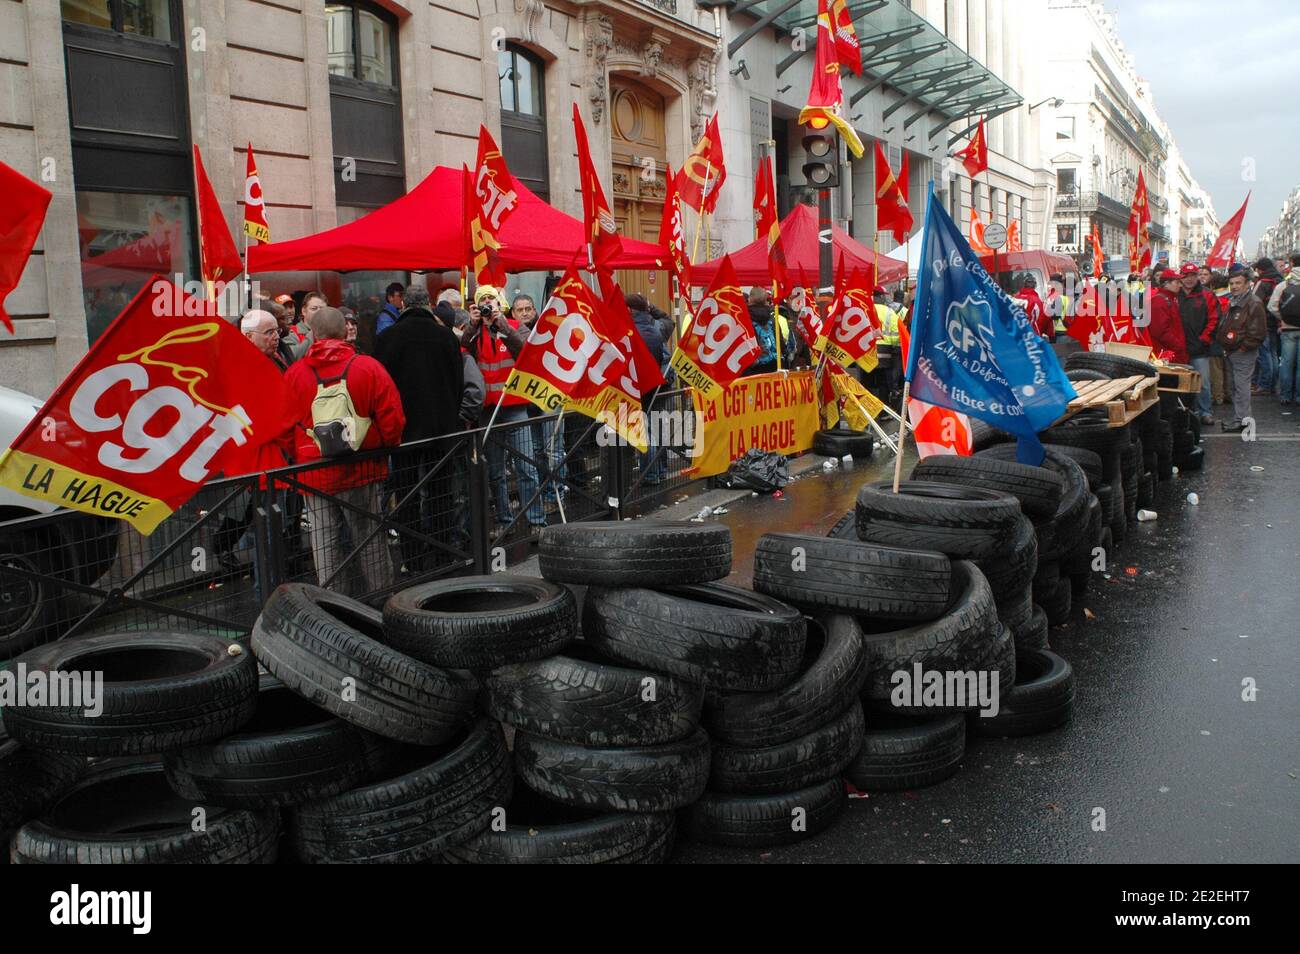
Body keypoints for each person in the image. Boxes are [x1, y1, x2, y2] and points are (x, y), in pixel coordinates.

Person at [283, 306, 405, 596]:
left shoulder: (295, 374)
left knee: (324, 543)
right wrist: (384, 446)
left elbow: (285, 427)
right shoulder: (368, 367)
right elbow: (393, 419)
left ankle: (333, 606)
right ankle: (380, 601)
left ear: (313, 333)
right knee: (369, 539)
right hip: (361, 468)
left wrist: (301, 454)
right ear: (346, 331)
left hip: (314, 472)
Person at [372, 286, 464, 573]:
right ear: (428, 305)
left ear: (402, 306)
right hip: (441, 428)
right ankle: (442, 553)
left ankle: (411, 558)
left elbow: (381, 387)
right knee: (441, 493)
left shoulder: (387, 338)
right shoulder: (446, 337)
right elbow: (457, 382)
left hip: (403, 431)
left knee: (407, 494)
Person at [465, 285, 547, 537]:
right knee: (495, 472)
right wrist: (471, 325)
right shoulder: (474, 332)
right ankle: (503, 520)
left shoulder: (513, 325)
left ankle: (536, 521)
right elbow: (460, 352)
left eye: (491, 300)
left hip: (514, 408)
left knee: (526, 467)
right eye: (483, 301)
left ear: (500, 303)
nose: (488, 305)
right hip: (488, 411)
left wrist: (503, 326)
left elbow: (525, 349)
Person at [626, 293, 669, 483]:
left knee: (646, 432)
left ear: (629, 310)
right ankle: (660, 471)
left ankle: (650, 474)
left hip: (640, 387)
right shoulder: (657, 327)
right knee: (657, 429)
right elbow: (668, 319)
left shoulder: (630, 331)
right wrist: (650, 308)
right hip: (657, 385)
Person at [1217, 269, 1267, 432]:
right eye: (1231, 283)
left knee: (1241, 387)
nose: (1234, 286)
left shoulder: (1253, 302)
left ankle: (1243, 420)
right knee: (1236, 387)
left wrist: (1243, 347)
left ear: (1247, 284)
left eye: (1238, 283)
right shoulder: (1235, 299)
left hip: (1242, 351)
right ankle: (1240, 418)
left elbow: (1258, 332)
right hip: (1233, 350)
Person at [1176, 262, 1220, 425]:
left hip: (1199, 348)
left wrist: (1204, 340)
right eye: (1186, 276)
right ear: (1181, 277)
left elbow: (1214, 319)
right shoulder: (1175, 294)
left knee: (1203, 382)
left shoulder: (1207, 295)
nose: (1189, 279)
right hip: (1179, 348)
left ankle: (1205, 412)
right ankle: (1185, 412)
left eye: (1193, 276)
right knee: (1180, 383)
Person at [1267, 251, 1300, 405]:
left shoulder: (1285, 284)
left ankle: (1286, 395)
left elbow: (1272, 306)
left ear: (1291, 264)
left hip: (1288, 330)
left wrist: (1284, 319)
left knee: (1286, 363)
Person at [743, 286, 794, 375]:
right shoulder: (773, 317)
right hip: (775, 365)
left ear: (750, 300)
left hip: (754, 369)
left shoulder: (744, 319)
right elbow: (780, 341)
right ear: (766, 300)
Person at [1252, 257, 1283, 395]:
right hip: (1277, 321)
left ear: (1260, 269)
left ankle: (1264, 384)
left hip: (1263, 322)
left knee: (1264, 354)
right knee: (1273, 354)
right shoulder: (1280, 280)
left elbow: (1254, 303)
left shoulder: (1263, 282)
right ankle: (1272, 384)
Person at [1146, 269, 1188, 363]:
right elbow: (1159, 331)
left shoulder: (1170, 299)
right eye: (1177, 282)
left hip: (1173, 353)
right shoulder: (1159, 301)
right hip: (1167, 355)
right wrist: (1178, 346)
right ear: (1166, 284)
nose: (1180, 285)